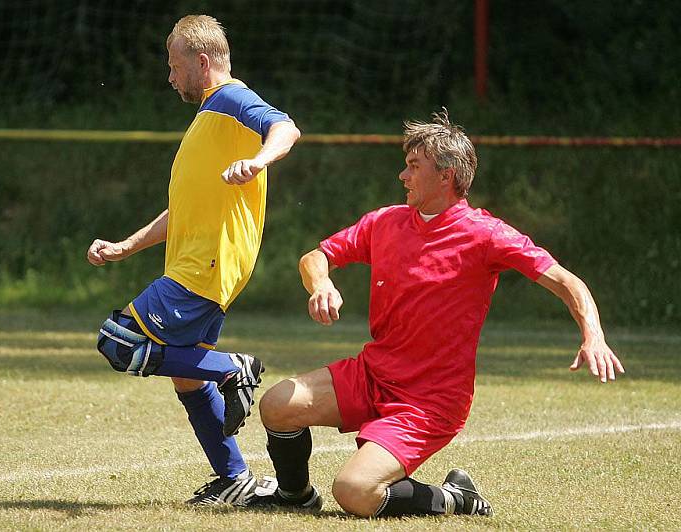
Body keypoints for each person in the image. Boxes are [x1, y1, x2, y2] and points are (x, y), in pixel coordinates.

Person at [247, 110, 624, 517]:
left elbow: (567, 282)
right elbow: (316, 256)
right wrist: (321, 284)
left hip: (429, 401)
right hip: (373, 374)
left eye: (413, 166)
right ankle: (295, 496)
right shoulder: (385, 222)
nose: (402, 176)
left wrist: (594, 335)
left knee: (355, 491)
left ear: (446, 176)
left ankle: (454, 497)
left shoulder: (487, 235)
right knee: (278, 404)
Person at [87, 14, 300, 506]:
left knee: (118, 342)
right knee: (186, 371)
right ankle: (234, 478)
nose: (169, 76)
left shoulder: (229, 100)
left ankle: (233, 369)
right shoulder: (209, 116)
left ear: (202, 62)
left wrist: (258, 161)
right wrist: (125, 246)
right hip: (200, 264)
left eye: (174, 65)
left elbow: (285, 128)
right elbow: (181, 211)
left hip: (206, 264)